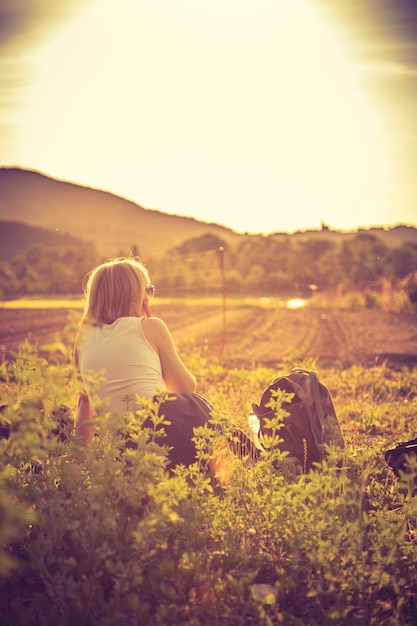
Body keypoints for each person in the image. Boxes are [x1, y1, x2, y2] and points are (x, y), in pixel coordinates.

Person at [74, 256, 214, 468]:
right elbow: (185, 388)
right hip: (163, 426)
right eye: (147, 290)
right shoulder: (150, 326)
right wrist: (150, 327)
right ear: (134, 297)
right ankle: (257, 457)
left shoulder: (82, 338)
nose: (150, 296)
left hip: (125, 444)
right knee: (200, 406)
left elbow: (85, 403)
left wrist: (80, 459)